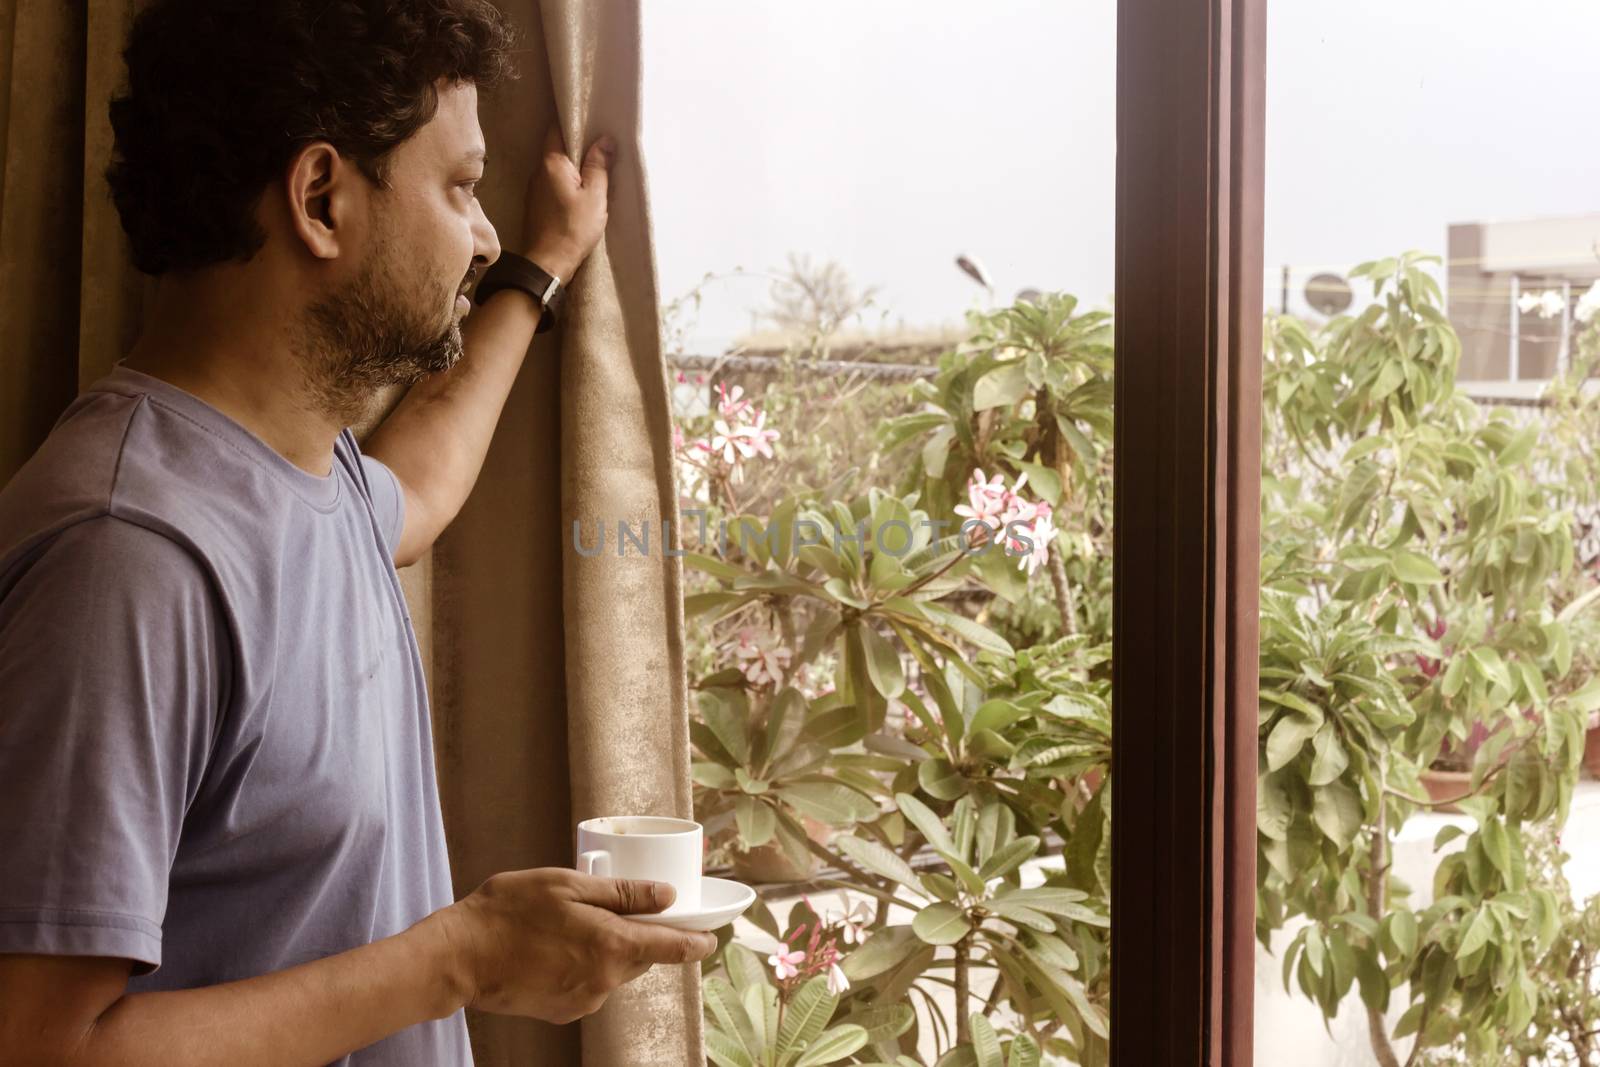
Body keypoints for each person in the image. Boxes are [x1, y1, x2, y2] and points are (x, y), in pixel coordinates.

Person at [0, 2, 717, 1064]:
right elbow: (41, 1047)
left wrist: (538, 270)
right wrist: (459, 959)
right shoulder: (131, 560)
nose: (480, 235)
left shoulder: (295, 467)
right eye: (463, 188)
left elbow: (411, 496)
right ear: (321, 198)